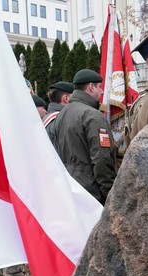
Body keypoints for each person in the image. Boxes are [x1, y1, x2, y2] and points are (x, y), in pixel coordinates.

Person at [53, 69, 116, 204]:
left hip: (71, 188)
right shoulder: (92, 116)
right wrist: (111, 195)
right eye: (100, 87)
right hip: (92, 194)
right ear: (91, 87)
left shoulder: (63, 113)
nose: (102, 91)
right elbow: (101, 159)